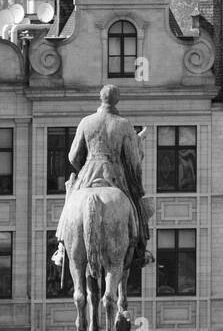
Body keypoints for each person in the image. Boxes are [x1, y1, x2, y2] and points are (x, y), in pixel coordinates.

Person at [51, 84, 153, 271]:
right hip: (116, 176)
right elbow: (133, 160)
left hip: (88, 174)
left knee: (70, 203)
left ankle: (62, 247)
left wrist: (87, 163)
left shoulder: (86, 122)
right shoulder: (123, 124)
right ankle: (140, 249)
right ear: (117, 100)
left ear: (100, 98)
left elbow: (73, 156)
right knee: (137, 207)